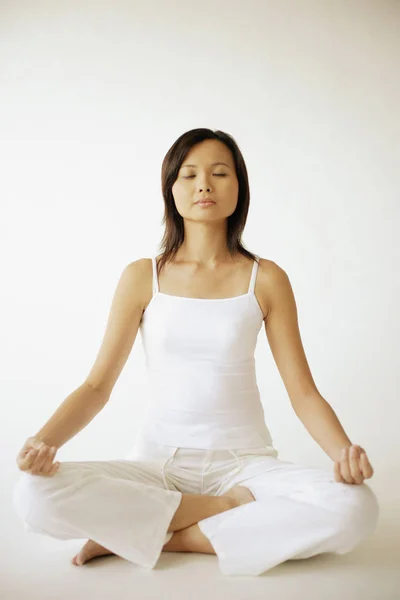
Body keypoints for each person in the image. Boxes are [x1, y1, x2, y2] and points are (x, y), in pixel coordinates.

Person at [13, 128, 379, 576]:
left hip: (245, 466)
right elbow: (95, 386)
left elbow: (302, 393)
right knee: (32, 495)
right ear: (171, 189)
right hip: (158, 464)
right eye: (188, 174)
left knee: (356, 507)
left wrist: (343, 455)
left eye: (219, 172)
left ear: (239, 187)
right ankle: (221, 512)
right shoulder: (141, 276)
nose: (204, 184)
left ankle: (158, 535)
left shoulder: (265, 278)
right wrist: (43, 442)